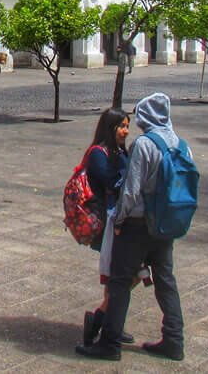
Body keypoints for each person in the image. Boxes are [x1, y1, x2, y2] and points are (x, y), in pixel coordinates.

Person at [77, 92, 186, 362]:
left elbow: (131, 189)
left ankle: (109, 343)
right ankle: (174, 339)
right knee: (165, 281)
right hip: (165, 222)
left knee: (120, 282)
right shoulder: (180, 144)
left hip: (137, 224)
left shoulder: (145, 145)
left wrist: (120, 221)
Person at [80, 108, 137, 348]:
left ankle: (109, 320)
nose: (126, 131)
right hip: (108, 223)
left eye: (127, 126)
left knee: (122, 276)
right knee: (122, 276)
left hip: (121, 221)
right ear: (110, 127)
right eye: (122, 126)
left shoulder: (119, 151)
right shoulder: (98, 154)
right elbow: (112, 182)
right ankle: (101, 320)